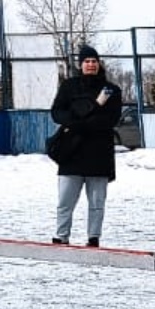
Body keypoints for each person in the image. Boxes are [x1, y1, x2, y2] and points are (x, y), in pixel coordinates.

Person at [48, 45, 123, 246]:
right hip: (71, 153)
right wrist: (74, 122)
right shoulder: (69, 87)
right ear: (80, 65)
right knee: (65, 201)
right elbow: (56, 112)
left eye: (94, 61)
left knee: (97, 203)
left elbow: (111, 119)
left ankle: (93, 238)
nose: (90, 65)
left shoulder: (112, 91)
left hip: (99, 155)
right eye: (87, 61)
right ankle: (61, 236)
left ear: (99, 64)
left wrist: (83, 124)